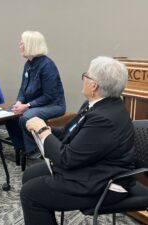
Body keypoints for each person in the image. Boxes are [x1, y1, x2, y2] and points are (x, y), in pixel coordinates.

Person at [21, 56, 135, 225]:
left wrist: (43, 131)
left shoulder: (104, 119)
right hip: (93, 166)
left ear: (94, 85)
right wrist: (47, 129)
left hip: (107, 181)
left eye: (86, 76)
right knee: (30, 175)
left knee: (30, 194)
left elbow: (66, 159)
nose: (84, 79)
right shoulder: (98, 105)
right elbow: (70, 132)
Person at [5, 31, 66, 160]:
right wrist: (19, 102)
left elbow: (49, 96)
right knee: (8, 114)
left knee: (26, 117)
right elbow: (23, 88)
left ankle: (34, 151)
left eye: (22, 43)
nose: (19, 45)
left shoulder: (47, 65)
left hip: (53, 105)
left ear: (30, 45)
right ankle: (20, 147)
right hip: (34, 105)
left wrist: (27, 105)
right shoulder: (28, 64)